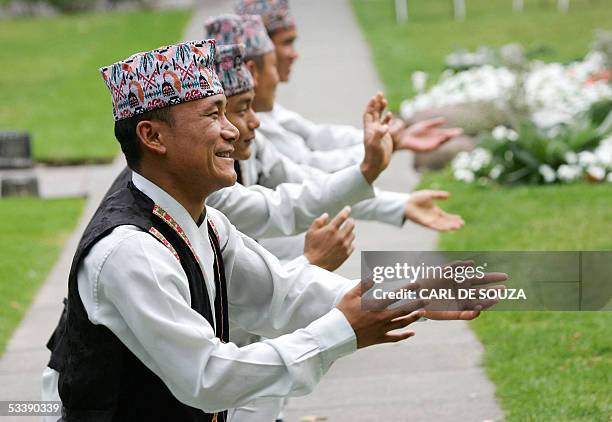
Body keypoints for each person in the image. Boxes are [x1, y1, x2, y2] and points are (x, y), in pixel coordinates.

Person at [42, 38, 506, 422]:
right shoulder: (129, 251)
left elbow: (282, 293)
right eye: (212, 115)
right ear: (153, 137)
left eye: (230, 111)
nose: (235, 131)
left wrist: (412, 296)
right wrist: (342, 329)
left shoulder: (202, 220)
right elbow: (207, 377)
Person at [205, 13, 464, 263]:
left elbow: (307, 180)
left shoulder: (254, 138)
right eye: (285, 44)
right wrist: (310, 263)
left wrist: (394, 192)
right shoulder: (209, 187)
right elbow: (284, 207)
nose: (255, 121)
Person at [234, 0, 464, 172]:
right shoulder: (255, 123)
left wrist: (390, 138)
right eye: (286, 43)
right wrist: (388, 143)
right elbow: (310, 175)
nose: (295, 55)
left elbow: (315, 137)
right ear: (254, 66)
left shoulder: (268, 112)